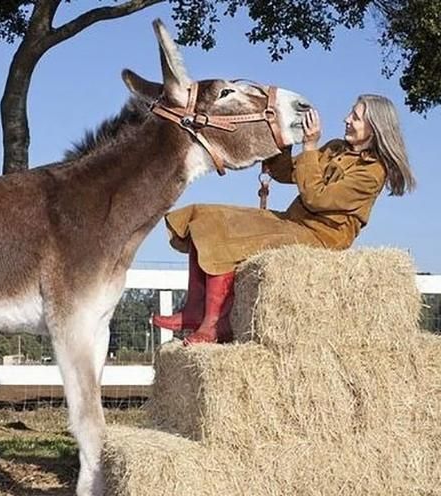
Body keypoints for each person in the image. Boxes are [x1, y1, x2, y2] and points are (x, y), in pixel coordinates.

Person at [152, 94, 416, 345]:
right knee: (206, 216)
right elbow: (286, 173)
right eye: (351, 113)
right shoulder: (335, 148)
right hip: (292, 222)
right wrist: (284, 137)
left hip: (322, 238)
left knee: (228, 238)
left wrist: (310, 146)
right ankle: (195, 310)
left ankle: (214, 324)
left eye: (356, 117)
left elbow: (316, 198)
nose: (347, 119)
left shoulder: (372, 172)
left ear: (375, 127)